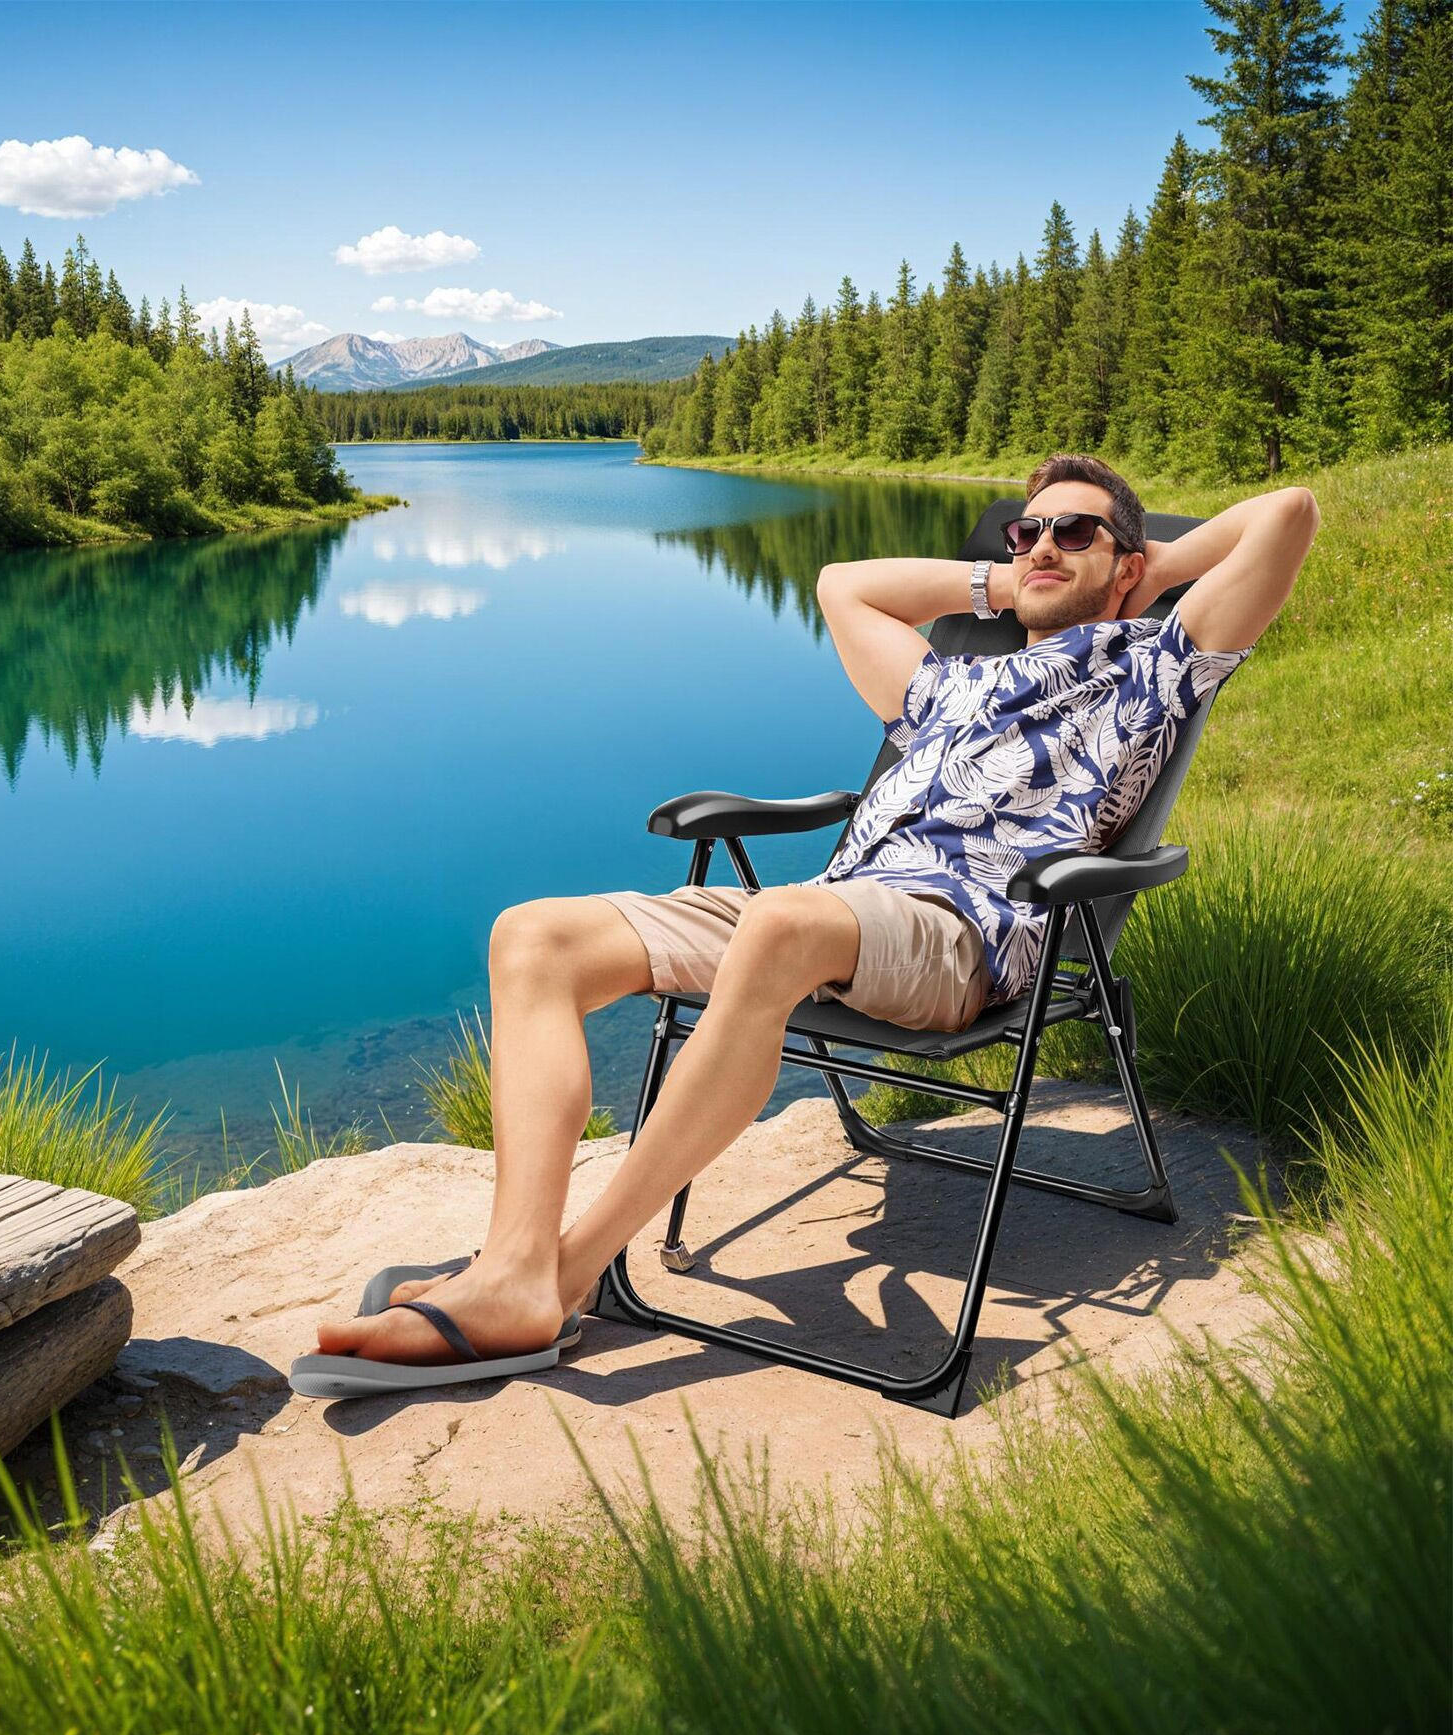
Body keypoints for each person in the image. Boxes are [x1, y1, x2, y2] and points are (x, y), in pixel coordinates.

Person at [290, 453, 1320, 1395]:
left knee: (781, 922)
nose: (1044, 543)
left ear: (1126, 561)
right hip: (838, 912)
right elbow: (841, 584)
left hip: (960, 932)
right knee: (532, 936)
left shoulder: (1156, 663)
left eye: (1075, 531)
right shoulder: (944, 680)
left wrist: (1155, 570)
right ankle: (512, 1262)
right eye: (1028, 530)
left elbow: (1289, 511)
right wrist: (1013, 586)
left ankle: (567, 1272)